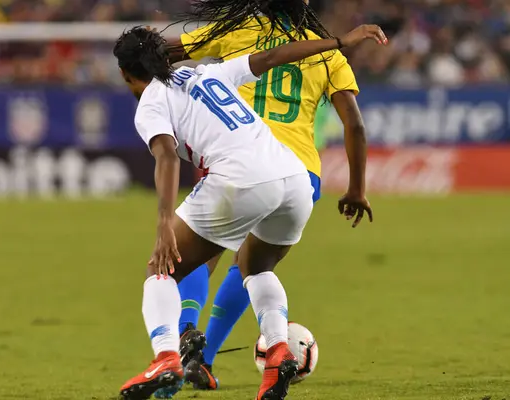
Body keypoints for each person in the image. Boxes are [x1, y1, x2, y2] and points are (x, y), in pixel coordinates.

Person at [114, 23, 384, 400]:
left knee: (161, 270)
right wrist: (341, 41)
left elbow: (165, 155)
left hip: (240, 179)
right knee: (256, 267)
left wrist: (163, 223)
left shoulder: (152, 102)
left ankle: (166, 357)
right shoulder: (209, 72)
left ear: (127, 75)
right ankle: (276, 352)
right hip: (294, 178)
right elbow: (275, 57)